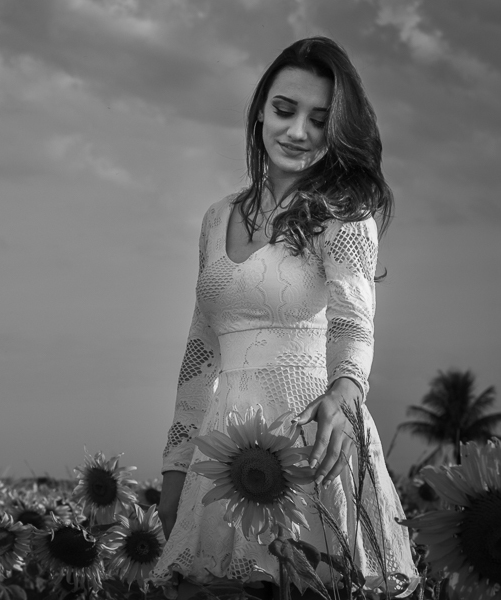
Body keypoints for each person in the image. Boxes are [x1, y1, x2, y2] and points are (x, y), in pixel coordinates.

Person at [151, 38, 417, 598]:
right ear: (260, 112)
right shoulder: (216, 216)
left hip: (315, 440)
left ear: (339, 130)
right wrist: (176, 466)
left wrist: (345, 394)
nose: (298, 132)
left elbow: (353, 323)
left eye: (320, 120)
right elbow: (201, 350)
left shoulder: (346, 214)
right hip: (225, 454)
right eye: (284, 110)